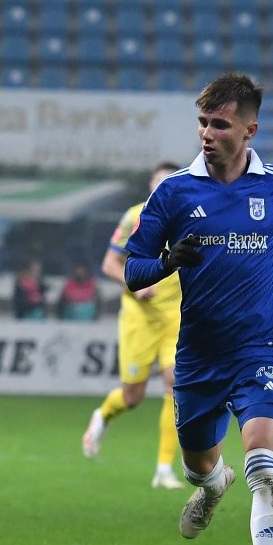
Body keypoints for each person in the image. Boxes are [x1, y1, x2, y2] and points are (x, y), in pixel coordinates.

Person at [124, 72, 273, 545]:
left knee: (265, 465)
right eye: (202, 122)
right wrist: (168, 261)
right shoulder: (175, 193)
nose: (206, 133)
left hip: (262, 347)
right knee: (200, 465)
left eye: (219, 124)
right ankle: (212, 484)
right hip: (199, 356)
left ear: (249, 130)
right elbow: (133, 269)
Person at [82, 162, 184, 490]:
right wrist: (135, 286)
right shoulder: (134, 217)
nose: (164, 190)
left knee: (175, 384)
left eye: (171, 184)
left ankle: (164, 469)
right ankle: (103, 416)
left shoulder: (191, 217)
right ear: (151, 187)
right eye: (160, 184)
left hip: (176, 317)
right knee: (132, 396)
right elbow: (110, 264)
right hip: (139, 318)